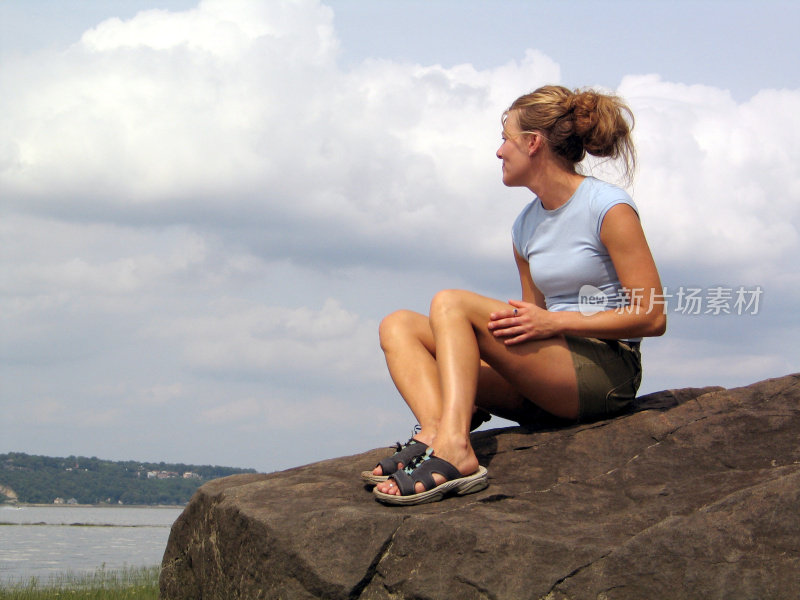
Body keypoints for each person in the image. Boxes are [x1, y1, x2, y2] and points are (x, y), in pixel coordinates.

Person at [364, 85, 666, 505]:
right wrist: (486, 354)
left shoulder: (608, 208)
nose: (499, 151)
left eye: (506, 137)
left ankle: (456, 449)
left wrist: (557, 321)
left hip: (604, 371)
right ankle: (437, 432)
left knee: (450, 302)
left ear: (533, 143)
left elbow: (652, 317)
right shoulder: (525, 226)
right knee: (399, 325)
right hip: (548, 378)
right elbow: (530, 320)